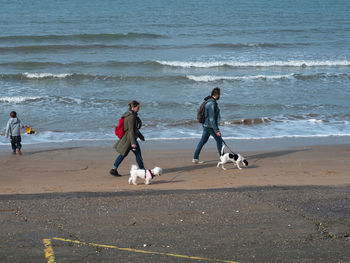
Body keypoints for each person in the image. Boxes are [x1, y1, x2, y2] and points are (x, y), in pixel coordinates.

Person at [110, 100, 145, 177]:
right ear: (133, 107)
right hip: (130, 140)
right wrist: (133, 143)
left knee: (123, 154)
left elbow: (134, 129)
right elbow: (131, 131)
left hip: (128, 139)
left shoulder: (131, 115)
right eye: (138, 107)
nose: (139, 109)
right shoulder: (131, 117)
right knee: (138, 155)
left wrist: (140, 136)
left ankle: (113, 169)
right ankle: (143, 171)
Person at [193, 87, 222, 163]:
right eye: (220, 94)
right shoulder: (212, 103)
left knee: (202, 141)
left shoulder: (207, 101)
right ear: (217, 94)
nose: (220, 96)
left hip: (205, 125)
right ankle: (222, 158)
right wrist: (216, 130)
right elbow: (212, 119)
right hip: (210, 126)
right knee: (219, 141)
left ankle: (195, 158)